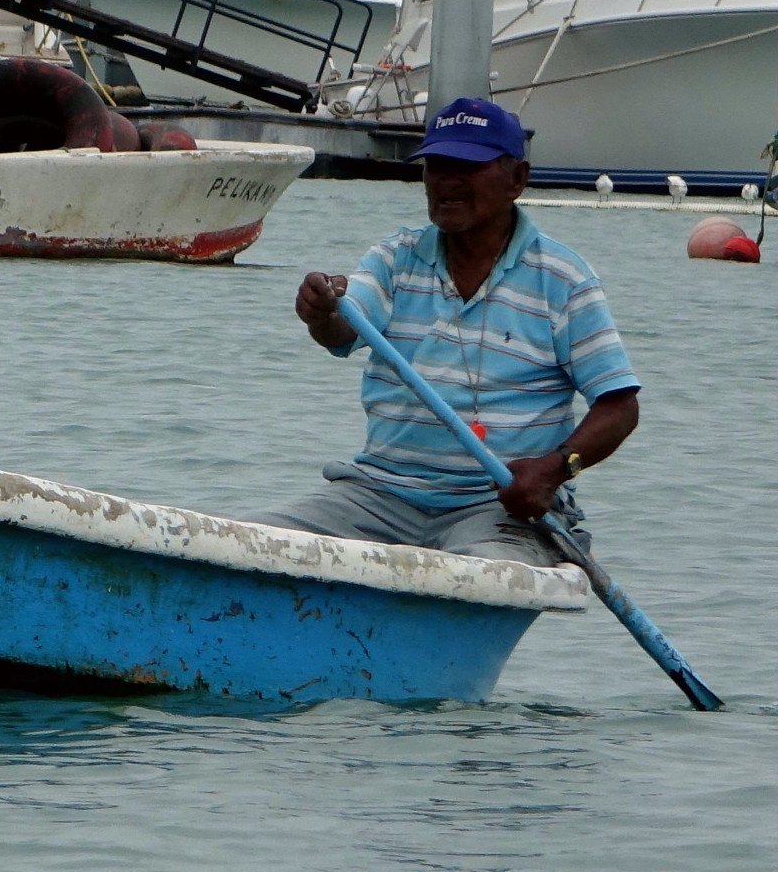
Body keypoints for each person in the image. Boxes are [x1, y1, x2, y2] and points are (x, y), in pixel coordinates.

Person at [257, 96, 641, 566]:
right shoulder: (396, 258)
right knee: (259, 543)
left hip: (496, 507)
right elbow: (343, 325)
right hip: (379, 494)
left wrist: (555, 469)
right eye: (436, 166)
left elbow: (620, 406)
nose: (447, 181)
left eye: (467, 166)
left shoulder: (563, 279)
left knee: (481, 566)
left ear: (517, 179)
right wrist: (322, 311)